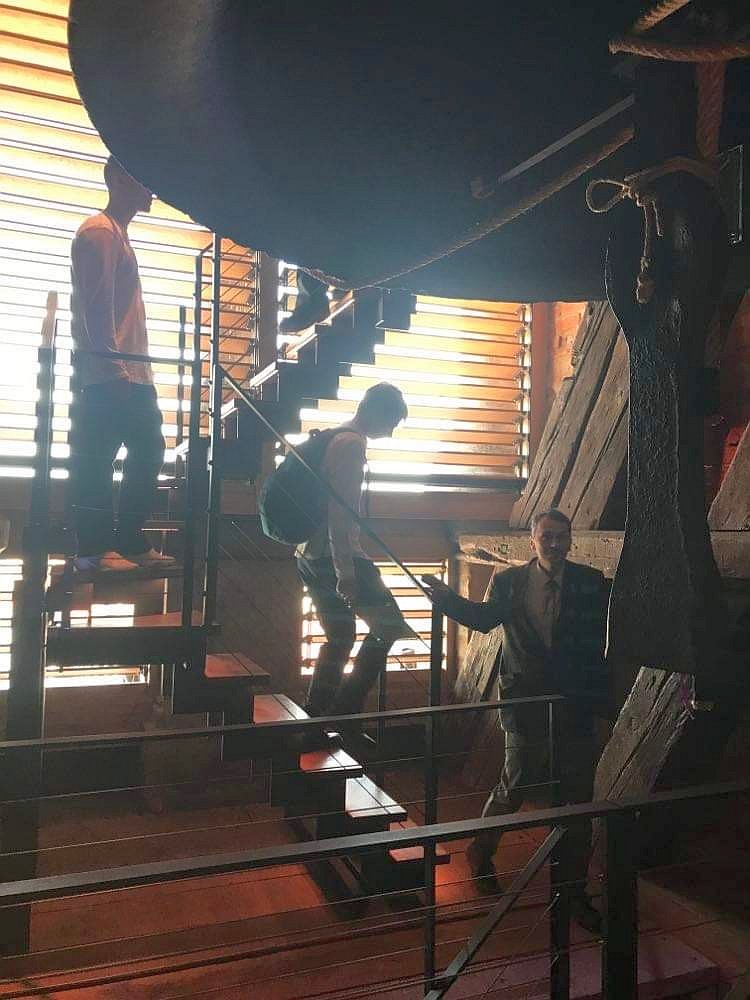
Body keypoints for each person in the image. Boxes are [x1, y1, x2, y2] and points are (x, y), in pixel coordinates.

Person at [422, 509, 609, 932]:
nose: (555, 544)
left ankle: (573, 889)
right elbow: (484, 619)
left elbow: (600, 645)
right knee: (516, 781)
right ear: (533, 541)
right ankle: (481, 850)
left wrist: (600, 704)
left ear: (571, 540)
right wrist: (446, 599)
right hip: (525, 699)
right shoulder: (509, 582)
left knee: (578, 797)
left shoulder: (590, 582)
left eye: (562, 537)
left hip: (575, 703)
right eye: (548, 536)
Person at [69, 156, 175, 572]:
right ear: (116, 178)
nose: (152, 188)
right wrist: (114, 370)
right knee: (100, 458)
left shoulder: (117, 234)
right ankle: (95, 550)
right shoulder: (100, 232)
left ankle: (127, 541)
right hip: (112, 373)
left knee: (147, 451)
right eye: (142, 178)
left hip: (130, 370)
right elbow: (97, 310)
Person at [296, 382, 413, 737]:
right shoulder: (351, 446)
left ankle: (317, 720)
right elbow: (341, 514)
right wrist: (345, 572)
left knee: (340, 637)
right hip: (332, 556)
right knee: (389, 625)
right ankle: (343, 713)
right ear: (375, 412)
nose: (390, 433)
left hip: (309, 554)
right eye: (391, 423)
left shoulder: (335, 437)